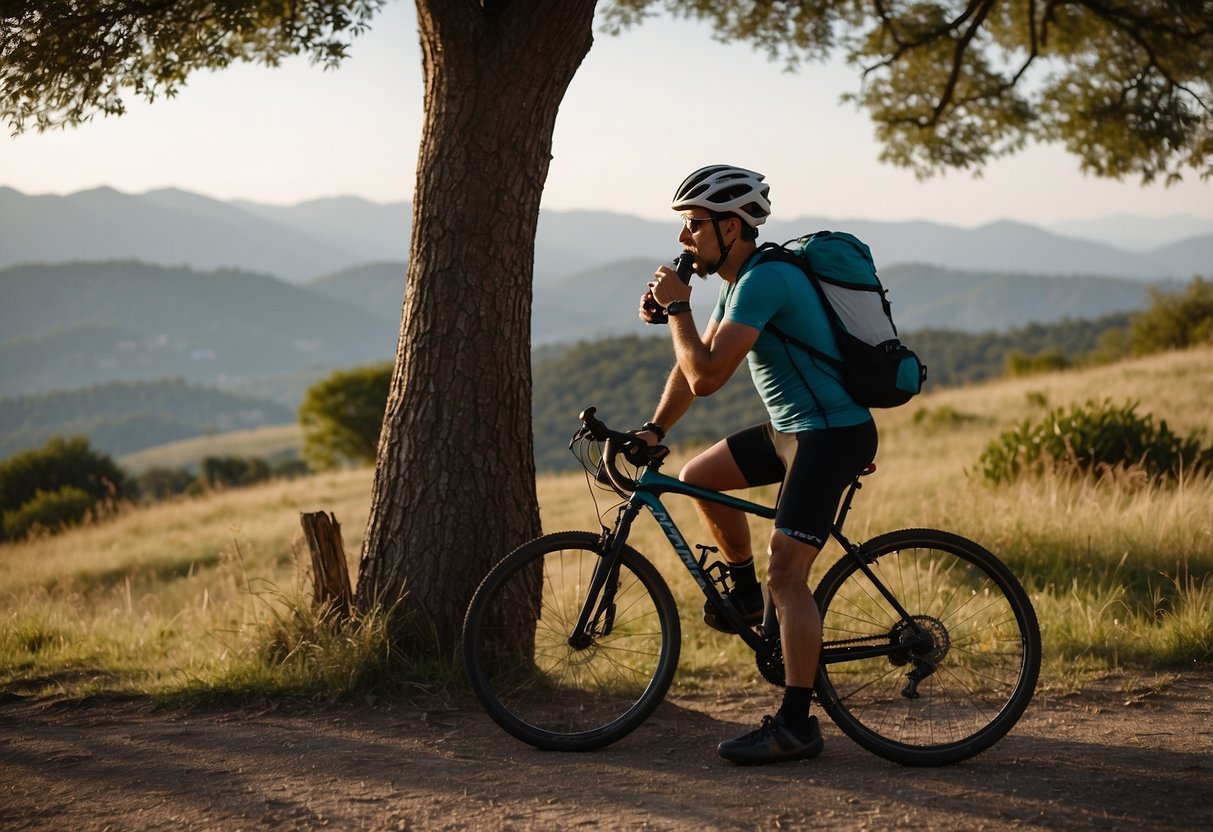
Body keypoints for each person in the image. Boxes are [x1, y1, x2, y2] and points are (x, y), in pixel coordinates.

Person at [636, 165, 878, 765]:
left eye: (694, 225)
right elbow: (698, 369)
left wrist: (676, 310)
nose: (685, 238)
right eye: (686, 226)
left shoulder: (764, 280)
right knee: (699, 477)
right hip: (794, 432)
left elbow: (707, 376)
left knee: (788, 575)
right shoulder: (741, 282)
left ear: (730, 226)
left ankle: (797, 725)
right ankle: (745, 599)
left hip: (831, 436)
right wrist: (656, 429)